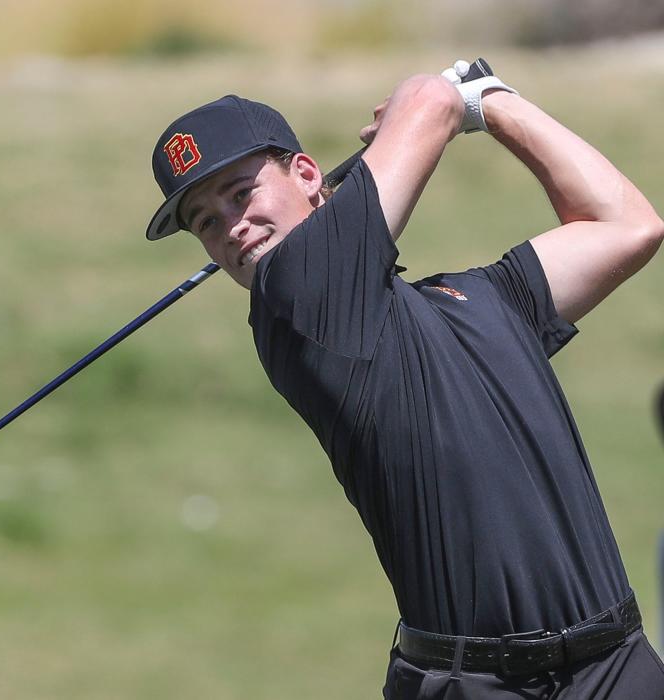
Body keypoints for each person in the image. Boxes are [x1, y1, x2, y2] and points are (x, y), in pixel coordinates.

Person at [145, 60, 664, 698]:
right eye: (204, 221)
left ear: (309, 174)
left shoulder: (477, 299)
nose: (231, 227)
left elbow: (628, 226)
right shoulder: (290, 304)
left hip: (618, 665)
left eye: (240, 192)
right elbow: (426, 102)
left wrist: (497, 104)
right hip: (475, 684)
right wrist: (461, 91)